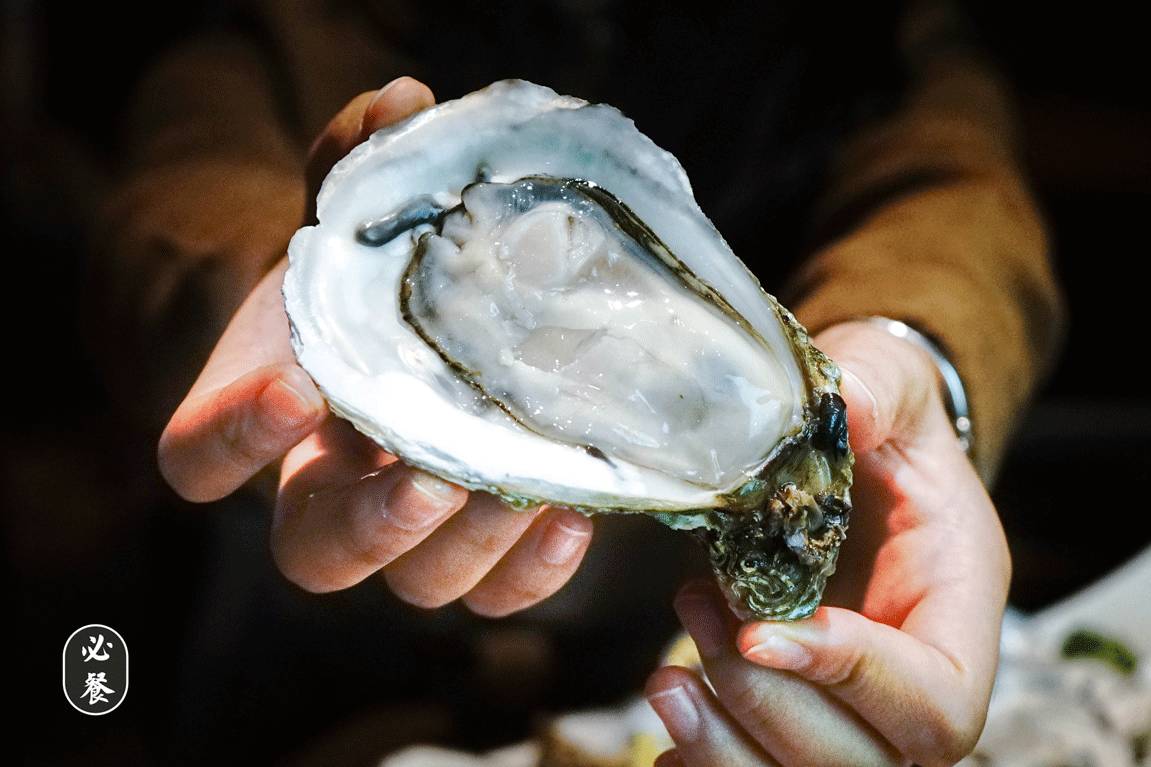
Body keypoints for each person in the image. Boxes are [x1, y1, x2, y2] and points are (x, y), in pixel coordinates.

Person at [90, 0, 1066, 763]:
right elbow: (187, 163)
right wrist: (301, 316)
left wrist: (907, 354)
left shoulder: (863, 31)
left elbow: (954, 182)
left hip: (661, 652)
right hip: (293, 657)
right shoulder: (296, 25)